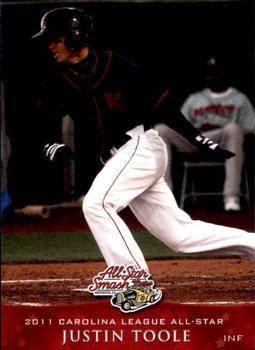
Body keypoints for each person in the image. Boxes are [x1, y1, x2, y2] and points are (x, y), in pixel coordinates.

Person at [32, 7, 255, 274]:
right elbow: (42, 118)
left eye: (56, 39)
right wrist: (50, 143)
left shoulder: (118, 66)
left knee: (97, 204)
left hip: (140, 147)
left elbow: (163, 106)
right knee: (179, 235)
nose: (51, 45)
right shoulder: (58, 79)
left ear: (76, 37)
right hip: (120, 157)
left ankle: (132, 277)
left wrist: (198, 139)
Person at [155, 55, 255, 212]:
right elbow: (179, 124)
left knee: (234, 129)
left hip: (223, 142)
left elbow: (250, 130)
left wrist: (220, 125)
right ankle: (165, 198)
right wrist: (199, 128)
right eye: (210, 73)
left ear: (226, 75)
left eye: (217, 73)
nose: (213, 77)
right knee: (161, 129)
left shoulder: (239, 99)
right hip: (196, 139)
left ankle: (231, 197)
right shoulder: (195, 99)